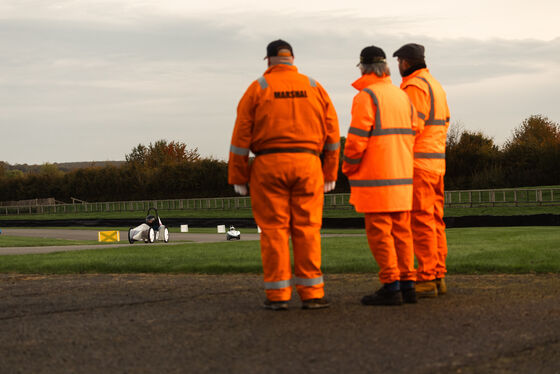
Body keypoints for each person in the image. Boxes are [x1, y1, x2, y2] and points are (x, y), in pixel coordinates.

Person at [228, 39, 340, 311]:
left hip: (269, 164)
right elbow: (332, 135)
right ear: (292, 59)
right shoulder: (315, 87)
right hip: (308, 164)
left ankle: (278, 296)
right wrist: (330, 171)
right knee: (308, 228)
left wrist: (238, 176)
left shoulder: (258, 88)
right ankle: (312, 293)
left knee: (274, 231)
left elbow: (241, 137)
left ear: (268, 61)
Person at [342, 46, 418, 305]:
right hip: (402, 178)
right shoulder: (402, 96)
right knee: (402, 233)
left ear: (363, 68)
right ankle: (408, 285)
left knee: (380, 234)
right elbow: (414, 131)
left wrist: (348, 166)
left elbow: (356, 140)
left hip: (376, 179)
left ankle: (391, 285)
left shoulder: (366, 97)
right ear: (385, 67)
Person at [393, 43, 451, 298]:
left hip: (418, 165)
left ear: (404, 62)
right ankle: (437, 275)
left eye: (399, 62)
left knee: (421, 222)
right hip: (436, 165)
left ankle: (426, 278)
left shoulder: (414, 86)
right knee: (435, 221)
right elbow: (444, 121)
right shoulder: (435, 85)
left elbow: (411, 126)